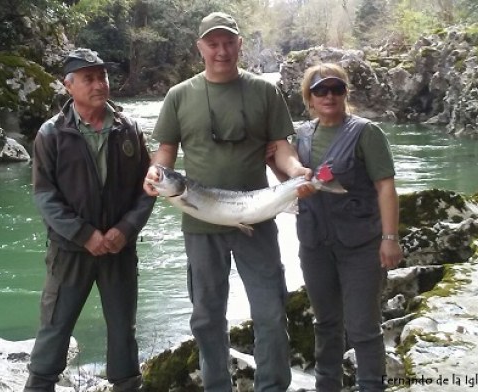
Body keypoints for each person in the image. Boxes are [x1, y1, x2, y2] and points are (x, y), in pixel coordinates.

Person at [143, 11, 313, 392]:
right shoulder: (179, 96)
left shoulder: (265, 92)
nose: (221, 50)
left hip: (257, 217)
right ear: (200, 47)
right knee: (206, 317)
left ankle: (272, 386)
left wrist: (297, 171)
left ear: (240, 44)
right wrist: (156, 173)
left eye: (228, 42)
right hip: (201, 226)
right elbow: (165, 152)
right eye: (213, 43)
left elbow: (282, 151)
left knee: (270, 312)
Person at [24, 48, 155, 392]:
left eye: (102, 77)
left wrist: (125, 230)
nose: (99, 84)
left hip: (118, 250)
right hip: (70, 252)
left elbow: (148, 188)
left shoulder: (129, 129)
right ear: (69, 86)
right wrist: (84, 235)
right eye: (89, 78)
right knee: (55, 329)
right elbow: (45, 196)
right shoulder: (51, 134)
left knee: (123, 331)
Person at [270, 62, 403, 392]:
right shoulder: (299, 137)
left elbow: (386, 187)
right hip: (315, 246)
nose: (329, 96)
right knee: (326, 323)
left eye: (336, 89)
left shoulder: (366, 133)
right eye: (320, 90)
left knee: (363, 327)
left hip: (360, 246)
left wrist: (390, 238)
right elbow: (290, 188)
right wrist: (273, 164)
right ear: (309, 98)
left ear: (345, 93)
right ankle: (326, 386)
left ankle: (371, 385)